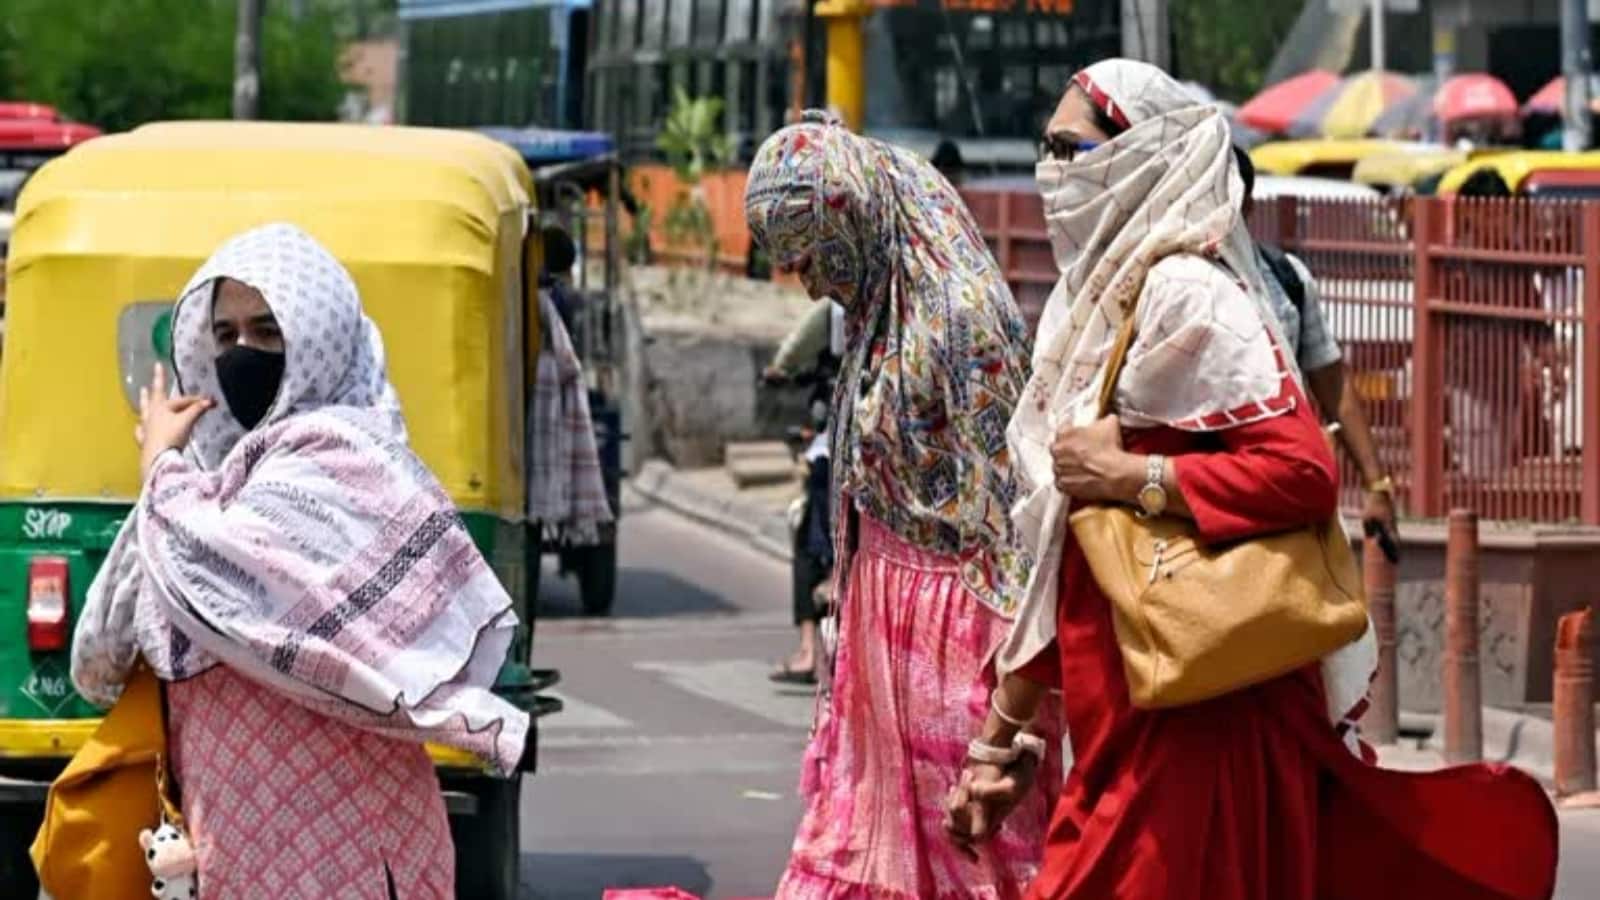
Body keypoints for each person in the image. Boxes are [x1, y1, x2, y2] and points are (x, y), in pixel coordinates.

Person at [947, 60, 1557, 899]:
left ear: (1139, 156)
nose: (1050, 170)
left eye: (1066, 146)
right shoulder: (1093, 307)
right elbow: (1061, 539)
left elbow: (1302, 470)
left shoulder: (1189, 296)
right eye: (1043, 147)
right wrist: (1001, 739)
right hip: (1120, 707)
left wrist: (1135, 475)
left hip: (1199, 715)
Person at [71, 223, 531, 898]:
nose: (243, 353)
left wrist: (160, 471)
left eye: (267, 331)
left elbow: (209, 560)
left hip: (355, 850)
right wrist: (171, 482)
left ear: (320, 340)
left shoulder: (348, 466)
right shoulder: (199, 494)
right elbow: (99, 662)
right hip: (230, 849)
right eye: (224, 336)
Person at [745, 109, 1059, 897]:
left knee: (973, 857)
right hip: (888, 626)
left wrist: (1004, 726)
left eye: (813, 259)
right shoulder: (879, 305)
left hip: (957, 638)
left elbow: (1015, 533)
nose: (813, 285)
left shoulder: (960, 323)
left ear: (852, 219)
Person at [1235, 149, 1399, 549]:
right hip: (1212, 491)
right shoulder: (1173, 284)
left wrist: (1377, 484)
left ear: (1248, 204)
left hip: (1292, 484)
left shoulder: (1286, 279)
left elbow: (1334, 385)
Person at [763, 301, 843, 685]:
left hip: (837, 446)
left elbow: (789, 356)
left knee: (808, 535)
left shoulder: (832, 309)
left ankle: (809, 650)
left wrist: (779, 370)